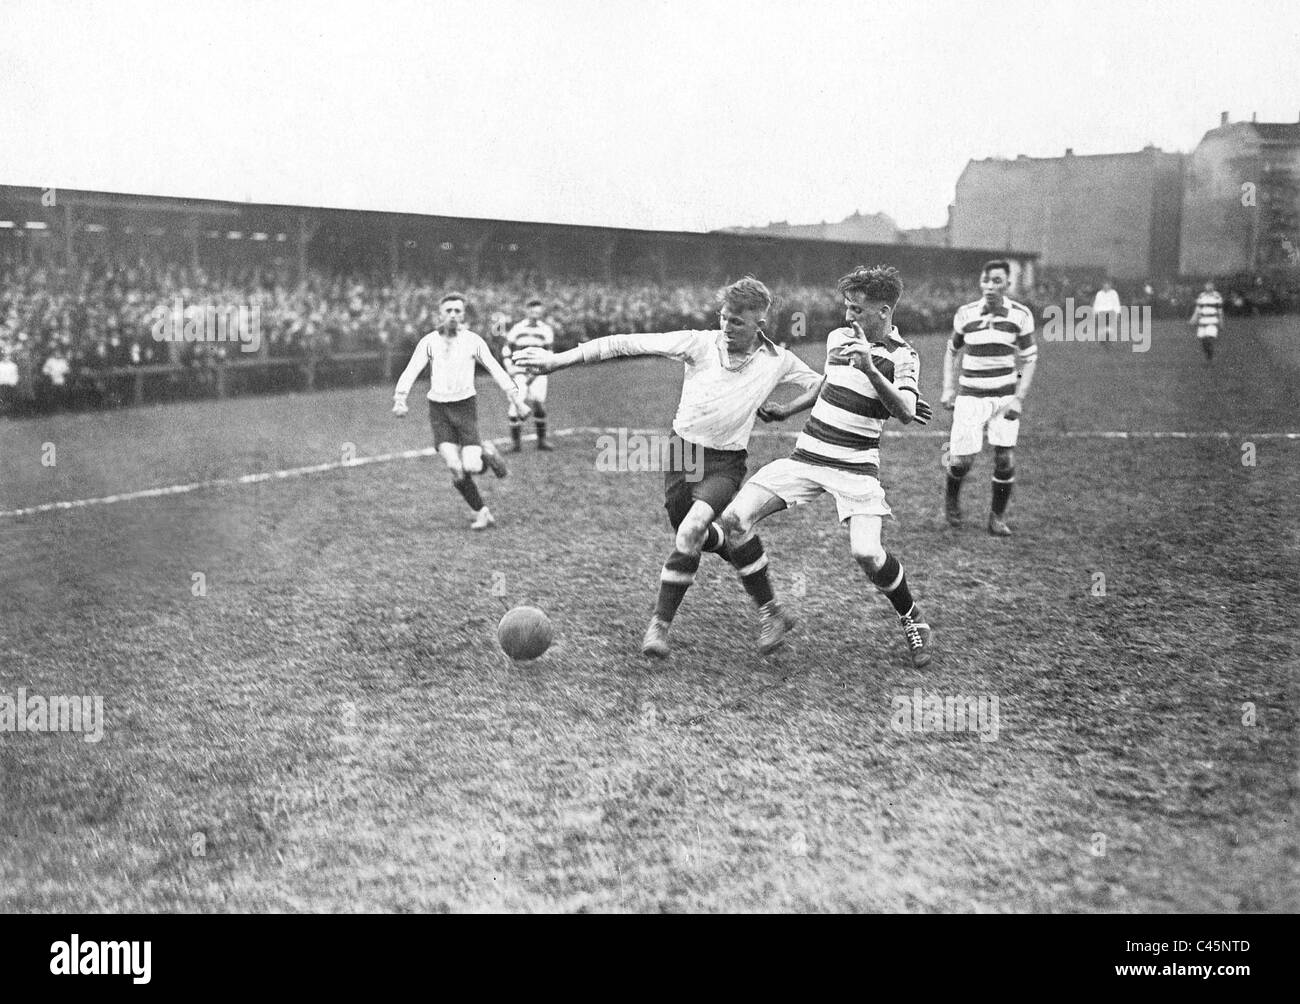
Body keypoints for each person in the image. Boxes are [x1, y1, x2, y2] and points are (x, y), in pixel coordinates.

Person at [516, 276, 824, 658]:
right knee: (691, 533)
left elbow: (824, 385)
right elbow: (622, 343)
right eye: (724, 318)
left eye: (737, 322)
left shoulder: (780, 360)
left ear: (760, 325)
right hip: (682, 454)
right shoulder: (699, 343)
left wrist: (786, 409)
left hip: (725, 461)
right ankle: (773, 608)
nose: (726, 327)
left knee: (692, 529)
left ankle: (659, 627)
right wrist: (556, 361)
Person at [716, 265, 934, 668]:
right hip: (808, 456)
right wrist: (789, 409)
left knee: (868, 554)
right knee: (734, 519)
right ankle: (772, 612)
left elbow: (905, 411)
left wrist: (871, 368)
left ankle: (911, 616)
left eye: (857, 310)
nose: (848, 317)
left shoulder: (904, 356)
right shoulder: (839, 337)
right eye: (847, 308)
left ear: (884, 312)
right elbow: (826, 382)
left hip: (855, 467)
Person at [392, 293, 530, 530]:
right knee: (455, 467)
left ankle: (486, 453)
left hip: (465, 407)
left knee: (473, 466)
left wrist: (517, 401)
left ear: (463, 314)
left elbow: (496, 370)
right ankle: (482, 512)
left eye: (457, 311)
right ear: (440, 314)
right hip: (439, 410)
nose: (453, 315)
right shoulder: (429, 342)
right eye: (448, 311)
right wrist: (400, 398)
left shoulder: (473, 341)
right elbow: (411, 370)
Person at [941, 259, 1038, 536]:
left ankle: (997, 517)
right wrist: (948, 388)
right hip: (970, 397)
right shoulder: (965, 314)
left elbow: (1029, 359)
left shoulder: (1020, 315)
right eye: (986, 280)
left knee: (1005, 458)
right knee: (961, 462)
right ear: (980, 283)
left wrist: (1019, 397)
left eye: (997, 281)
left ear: (1008, 284)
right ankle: (951, 498)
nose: (991, 286)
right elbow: (951, 350)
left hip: (1004, 398)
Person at [502, 298, 556, 451]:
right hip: (520, 373)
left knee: (538, 403)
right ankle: (516, 444)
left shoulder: (546, 330)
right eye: (532, 311)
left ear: (541, 312)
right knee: (516, 405)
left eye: (538, 311)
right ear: (527, 311)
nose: (535, 314)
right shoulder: (517, 329)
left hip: (538, 374)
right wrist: (509, 368)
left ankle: (541, 441)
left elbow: (550, 354)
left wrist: (537, 372)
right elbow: (506, 350)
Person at [1190, 279, 1224, 362]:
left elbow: (1220, 311)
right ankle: (1208, 356)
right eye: (1207, 285)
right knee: (1203, 342)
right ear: (1205, 286)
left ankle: (1210, 358)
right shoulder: (1201, 296)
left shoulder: (1217, 296)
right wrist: (1193, 319)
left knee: (1209, 339)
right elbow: (1197, 309)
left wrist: (1221, 322)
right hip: (1202, 321)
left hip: (1212, 321)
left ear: (1213, 286)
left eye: (1211, 285)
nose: (1209, 287)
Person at [1093, 279, 1122, 346]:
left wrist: (1117, 313)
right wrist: (1095, 313)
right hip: (1101, 313)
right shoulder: (1099, 293)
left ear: (1110, 286)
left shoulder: (1114, 293)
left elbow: (1116, 303)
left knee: (1110, 327)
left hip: (1111, 312)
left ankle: (1108, 339)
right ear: (1102, 286)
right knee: (1102, 327)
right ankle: (1103, 340)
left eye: (1108, 285)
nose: (1106, 287)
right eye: (1104, 285)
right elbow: (1096, 303)